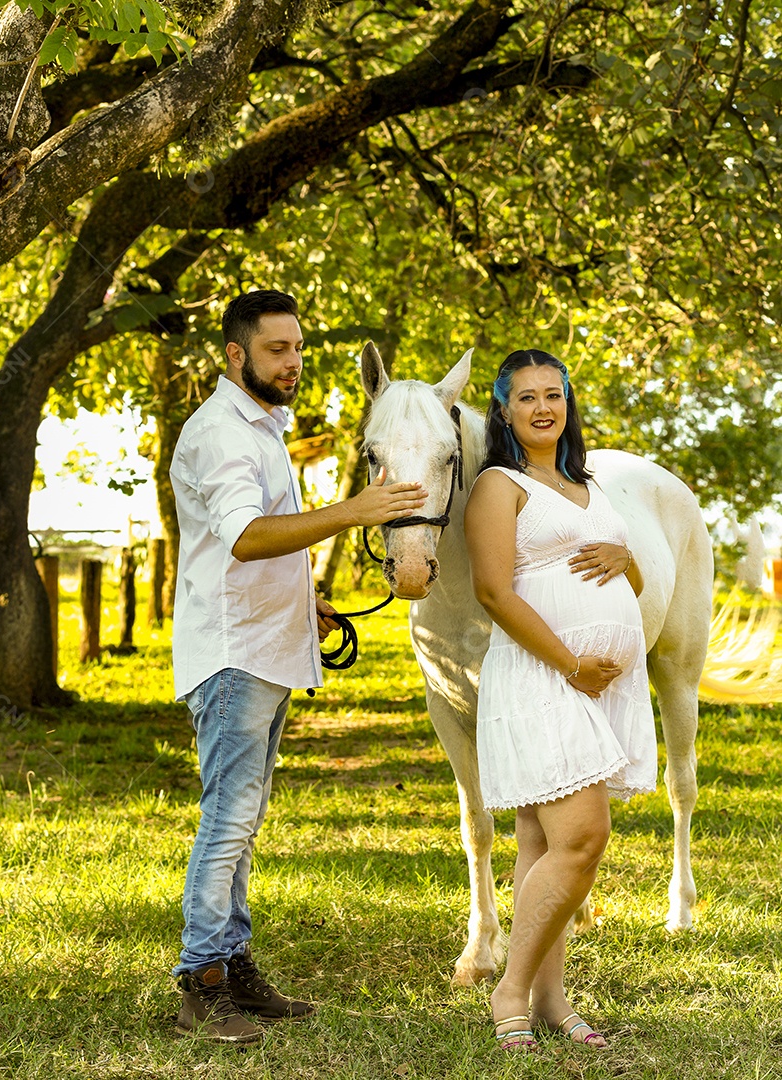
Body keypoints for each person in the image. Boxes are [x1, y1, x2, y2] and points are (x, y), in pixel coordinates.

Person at [169, 289, 428, 1044]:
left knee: (242, 820)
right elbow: (246, 536)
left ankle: (232, 962)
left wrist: (303, 597)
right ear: (236, 354)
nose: (292, 363)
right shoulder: (221, 431)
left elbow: (250, 545)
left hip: (266, 644)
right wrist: (356, 510)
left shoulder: (262, 426)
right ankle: (201, 982)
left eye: (299, 349)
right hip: (234, 654)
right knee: (228, 818)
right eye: (276, 349)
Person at [464, 348, 657, 1053]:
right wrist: (572, 664)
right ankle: (510, 990)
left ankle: (549, 1000)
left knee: (542, 842)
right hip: (544, 676)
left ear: (568, 403)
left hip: (597, 683)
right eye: (527, 397)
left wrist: (626, 559)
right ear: (504, 410)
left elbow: (626, 585)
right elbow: (494, 592)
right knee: (582, 838)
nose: (543, 407)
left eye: (554, 394)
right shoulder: (499, 485)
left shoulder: (586, 482)